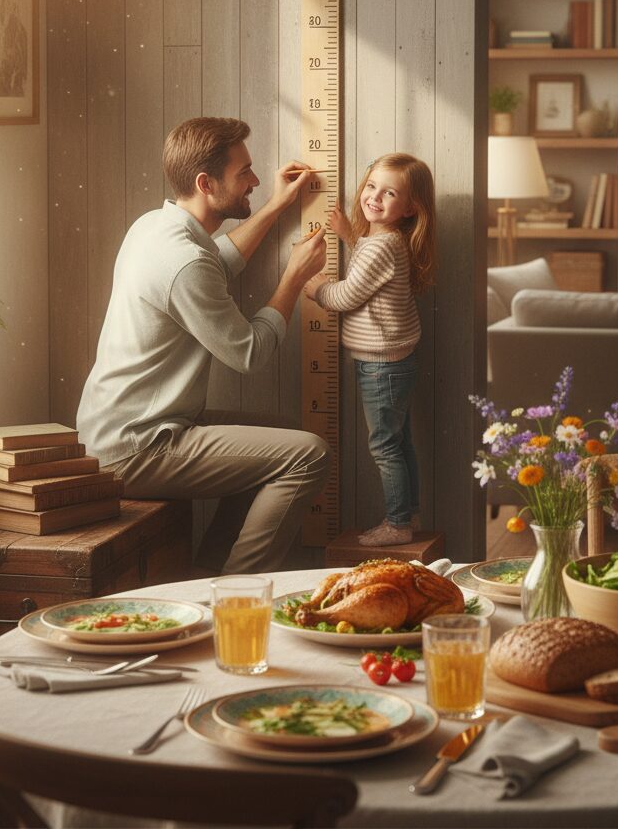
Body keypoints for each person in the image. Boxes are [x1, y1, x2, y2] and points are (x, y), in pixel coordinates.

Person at [76, 117, 330, 574]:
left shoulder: (155, 226)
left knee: (281, 439)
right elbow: (248, 353)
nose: (254, 179)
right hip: (138, 447)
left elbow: (217, 263)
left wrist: (273, 206)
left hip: (123, 430)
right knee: (308, 453)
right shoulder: (184, 260)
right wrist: (294, 277)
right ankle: (235, 597)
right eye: (244, 173)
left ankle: (207, 580)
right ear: (205, 183)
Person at [304, 153, 436, 547]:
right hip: (396, 361)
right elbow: (369, 263)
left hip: (381, 367)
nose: (375, 197)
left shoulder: (381, 247)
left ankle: (397, 524)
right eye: (372, 187)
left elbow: (348, 294)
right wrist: (349, 237)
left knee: (384, 446)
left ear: (410, 208)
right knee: (399, 442)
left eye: (389, 193)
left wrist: (315, 290)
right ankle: (407, 513)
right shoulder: (386, 241)